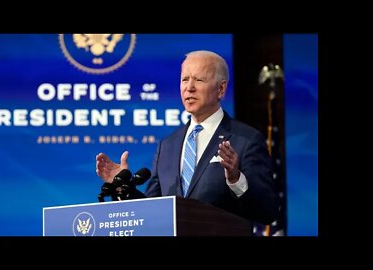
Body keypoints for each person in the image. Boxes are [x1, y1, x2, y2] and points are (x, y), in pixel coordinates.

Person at [96, 50, 278, 225]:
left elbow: (267, 211)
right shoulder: (167, 146)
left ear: (221, 89)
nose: (189, 88)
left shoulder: (246, 140)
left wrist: (236, 179)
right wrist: (122, 187)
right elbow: (152, 211)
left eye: (199, 80)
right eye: (185, 79)